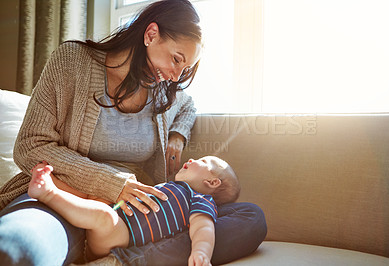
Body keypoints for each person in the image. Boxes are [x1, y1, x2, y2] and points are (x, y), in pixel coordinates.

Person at [0, 0, 267, 265]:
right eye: (176, 59)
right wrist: (112, 183)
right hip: (65, 197)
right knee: (17, 246)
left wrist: (177, 136)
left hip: (131, 222)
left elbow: (188, 105)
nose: (175, 76)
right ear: (151, 34)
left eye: (184, 69)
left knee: (251, 216)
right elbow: (29, 147)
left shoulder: (163, 91)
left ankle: (123, 260)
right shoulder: (73, 62)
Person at [28, 156, 240, 266]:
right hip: (112, 214)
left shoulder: (201, 199)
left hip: (120, 235)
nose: (192, 159)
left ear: (212, 182)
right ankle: (52, 180)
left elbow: (203, 227)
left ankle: (48, 193)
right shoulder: (171, 187)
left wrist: (201, 252)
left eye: (203, 162)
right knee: (97, 197)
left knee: (104, 215)